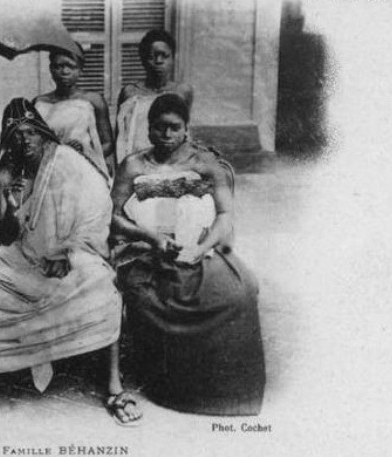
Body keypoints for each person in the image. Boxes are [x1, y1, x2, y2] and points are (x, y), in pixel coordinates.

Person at [0, 98, 142, 430]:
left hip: (70, 253)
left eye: (30, 132)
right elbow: (5, 235)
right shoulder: (3, 174)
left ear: (43, 133)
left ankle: (115, 388)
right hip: (17, 257)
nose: (24, 141)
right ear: (7, 141)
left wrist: (67, 254)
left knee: (103, 289)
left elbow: (94, 213)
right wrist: (13, 208)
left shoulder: (65, 162)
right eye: (16, 135)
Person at [111, 94, 265, 415]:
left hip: (199, 248)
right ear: (149, 129)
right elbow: (111, 216)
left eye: (174, 127)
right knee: (157, 293)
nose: (166, 135)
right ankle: (171, 383)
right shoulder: (133, 165)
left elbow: (225, 215)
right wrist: (151, 237)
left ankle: (222, 387)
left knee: (240, 290)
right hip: (145, 250)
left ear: (186, 129)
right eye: (159, 127)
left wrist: (201, 247)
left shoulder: (204, 163)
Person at [33, 46, 114, 177]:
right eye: (58, 66)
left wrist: (85, 152)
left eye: (71, 66)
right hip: (47, 168)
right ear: (51, 69)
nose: (64, 72)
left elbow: (108, 143)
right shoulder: (39, 103)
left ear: (80, 69)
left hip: (81, 169)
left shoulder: (93, 100)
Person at [115, 29, 194, 164]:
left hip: (171, 159)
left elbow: (184, 130)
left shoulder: (183, 91)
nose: (158, 61)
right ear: (143, 60)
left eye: (164, 56)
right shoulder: (130, 92)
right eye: (152, 56)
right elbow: (120, 135)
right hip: (136, 157)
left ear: (173, 58)